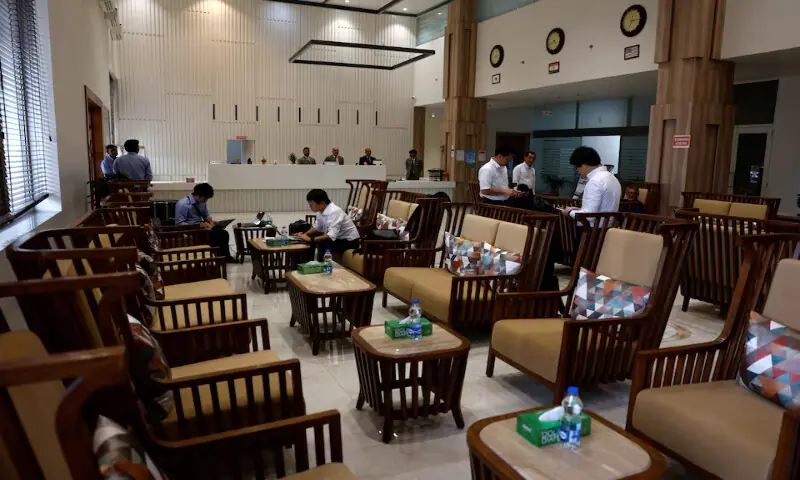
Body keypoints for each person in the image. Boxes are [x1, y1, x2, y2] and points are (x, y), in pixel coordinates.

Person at [174, 183, 236, 263]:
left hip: (203, 228)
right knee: (221, 234)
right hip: (192, 231)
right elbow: (179, 224)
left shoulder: (202, 202)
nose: (206, 200)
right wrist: (199, 225)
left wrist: (210, 221)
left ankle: (222, 256)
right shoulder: (182, 204)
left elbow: (206, 215)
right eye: (205, 198)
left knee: (221, 231)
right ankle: (219, 257)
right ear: (197, 195)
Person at [297, 189, 361, 261]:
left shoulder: (335, 212)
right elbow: (316, 227)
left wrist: (310, 239)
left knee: (322, 243)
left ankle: (322, 267)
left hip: (349, 241)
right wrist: (304, 235)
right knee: (312, 239)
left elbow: (331, 235)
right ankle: (307, 263)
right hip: (338, 238)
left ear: (322, 203)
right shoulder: (321, 211)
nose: (310, 206)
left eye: (311, 204)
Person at [562, 146, 622, 221]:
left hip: (592, 229)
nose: (577, 171)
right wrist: (580, 210)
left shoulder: (594, 181)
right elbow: (602, 209)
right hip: (609, 228)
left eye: (576, 168)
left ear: (584, 165)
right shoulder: (613, 178)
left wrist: (570, 212)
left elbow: (589, 216)